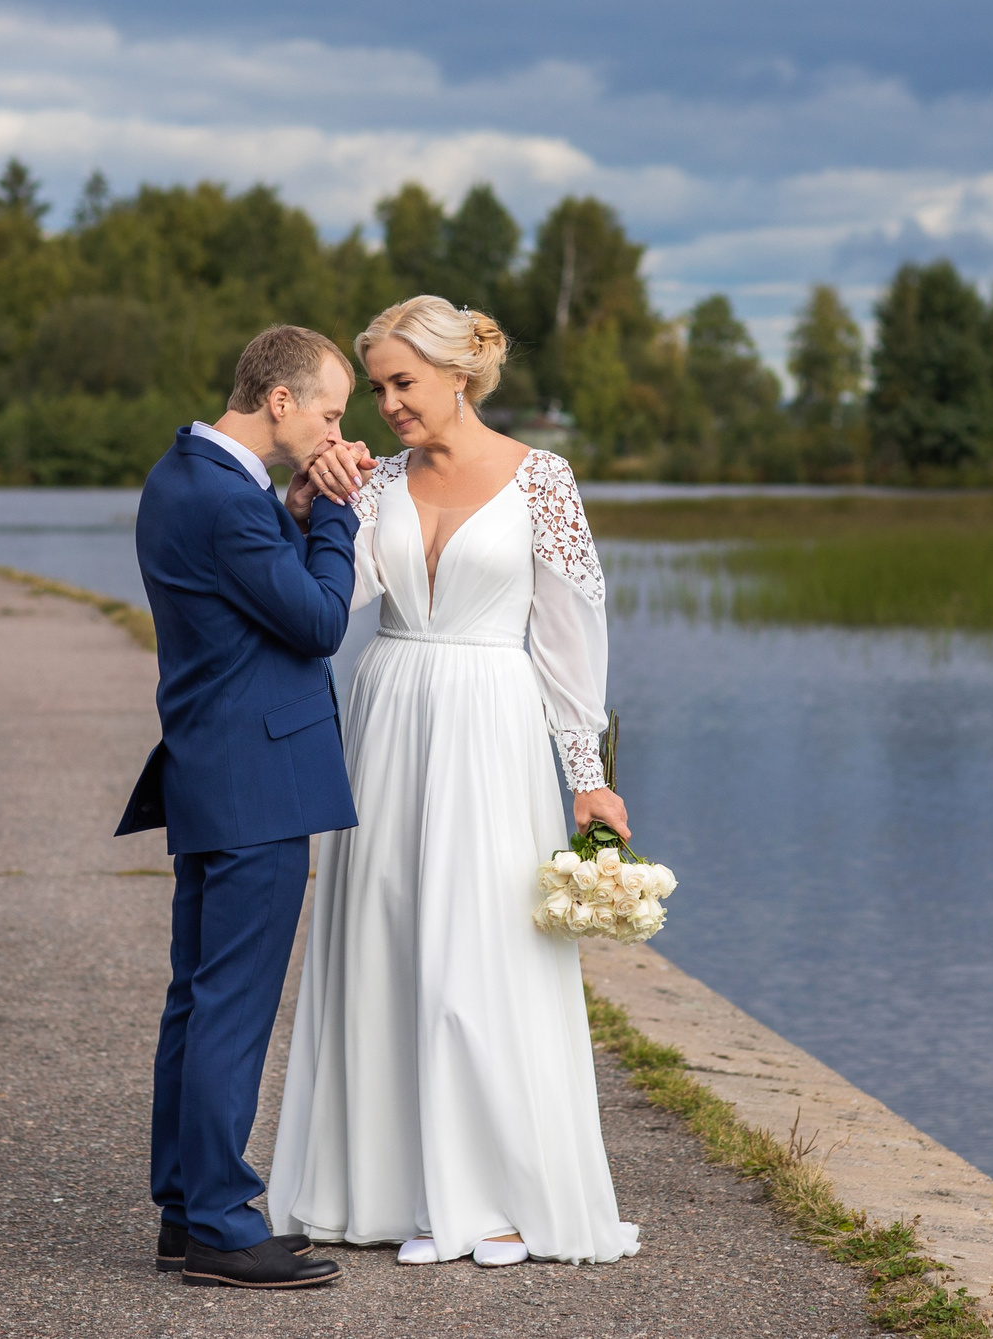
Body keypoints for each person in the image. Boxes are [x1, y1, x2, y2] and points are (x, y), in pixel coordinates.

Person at [267, 294, 640, 1267]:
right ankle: (392, 1190)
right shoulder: (373, 481)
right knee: (386, 938)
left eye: (403, 382)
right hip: (389, 707)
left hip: (491, 723)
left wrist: (587, 779)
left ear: (459, 375)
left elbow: (567, 642)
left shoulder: (541, 481)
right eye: (378, 386)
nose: (387, 403)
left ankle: (499, 1197)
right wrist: (305, 501)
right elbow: (327, 601)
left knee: (484, 954)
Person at [117, 324, 363, 1291]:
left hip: (209, 766)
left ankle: (185, 1207)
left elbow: (246, 588)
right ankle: (221, 1222)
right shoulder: (229, 500)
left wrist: (295, 506)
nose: (338, 428)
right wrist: (336, 513)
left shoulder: (185, 476)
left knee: (197, 995)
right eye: (332, 412)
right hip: (257, 781)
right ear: (280, 402)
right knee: (232, 1004)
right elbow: (318, 621)